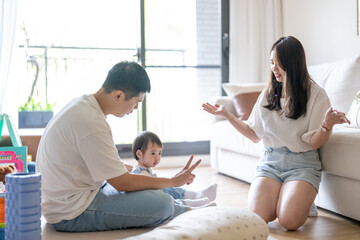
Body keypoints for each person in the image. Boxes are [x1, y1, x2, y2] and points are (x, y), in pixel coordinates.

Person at [202, 36, 350, 230]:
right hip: (270, 162)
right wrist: (227, 115)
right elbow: (254, 134)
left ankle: (303, 200)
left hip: (302, 164)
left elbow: (314, 143)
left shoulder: (316, 95)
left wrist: (326, 125)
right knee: (257, 217)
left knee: (288, 221)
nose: (274, 68)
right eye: (272, 62)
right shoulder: (268, 93)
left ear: (293, 64)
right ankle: (289, 196)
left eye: (279, 64)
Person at [36, 61, 202, 232]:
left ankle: (187, 198)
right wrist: (172, 181)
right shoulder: (92, 123)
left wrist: (139, 172)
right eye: (137, 101)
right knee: (163, 204)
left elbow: (106, 165)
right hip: (71, 212)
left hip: (74, 196)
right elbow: (122, 183)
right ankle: (184, 204)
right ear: (118, 96)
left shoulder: (83, 105)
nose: (136, 107)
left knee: (144, 179)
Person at [131, 131, 217, 212]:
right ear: (139, 154)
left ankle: (195, 195)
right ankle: (191, 208)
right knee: (167, 199)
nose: (157, 157)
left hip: (156, 198)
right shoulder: (141, 173)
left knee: (168, 188)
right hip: (154, 205)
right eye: (153, 153)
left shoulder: (145, 169)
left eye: (159, 153)